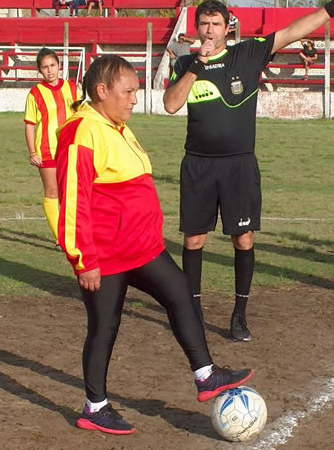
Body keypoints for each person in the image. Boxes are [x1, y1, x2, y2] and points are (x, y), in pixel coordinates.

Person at [56, 54, 254, 435]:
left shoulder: (113, 125)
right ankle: (94, 407)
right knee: (104, 327)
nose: (134, 99)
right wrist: (84, 261)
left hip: (142, 248)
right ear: (102, 91)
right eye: (127, 91)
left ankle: (206, 375)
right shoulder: (83, 131)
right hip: (108, 256)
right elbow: (73, 201)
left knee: (180, 292)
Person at [163, 0, 334, 341]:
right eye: (204, 24)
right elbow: (170, 104)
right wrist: (198, 63)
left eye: (216, 24)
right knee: (194, 239)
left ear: (228, 27)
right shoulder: (184, 63)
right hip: (198, 164)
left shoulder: (249, 54)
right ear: (197, 27)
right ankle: (192, 314)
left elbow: (296, 29)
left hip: (239, 164)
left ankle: (239, 315)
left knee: (243, 237)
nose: (209, 30)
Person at [23, 48, 80, 245]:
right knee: (52, 193)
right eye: (45, 67)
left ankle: (74, 232)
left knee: (71, 193)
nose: (50, 71)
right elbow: (30, 125)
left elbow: (82, 117)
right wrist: (32, 152)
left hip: (71, 149)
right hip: (47, 151)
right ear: (40, 71)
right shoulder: (35, 93)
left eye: (52, 65)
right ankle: (61, 238)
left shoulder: (73, 88)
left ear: (59, 65)